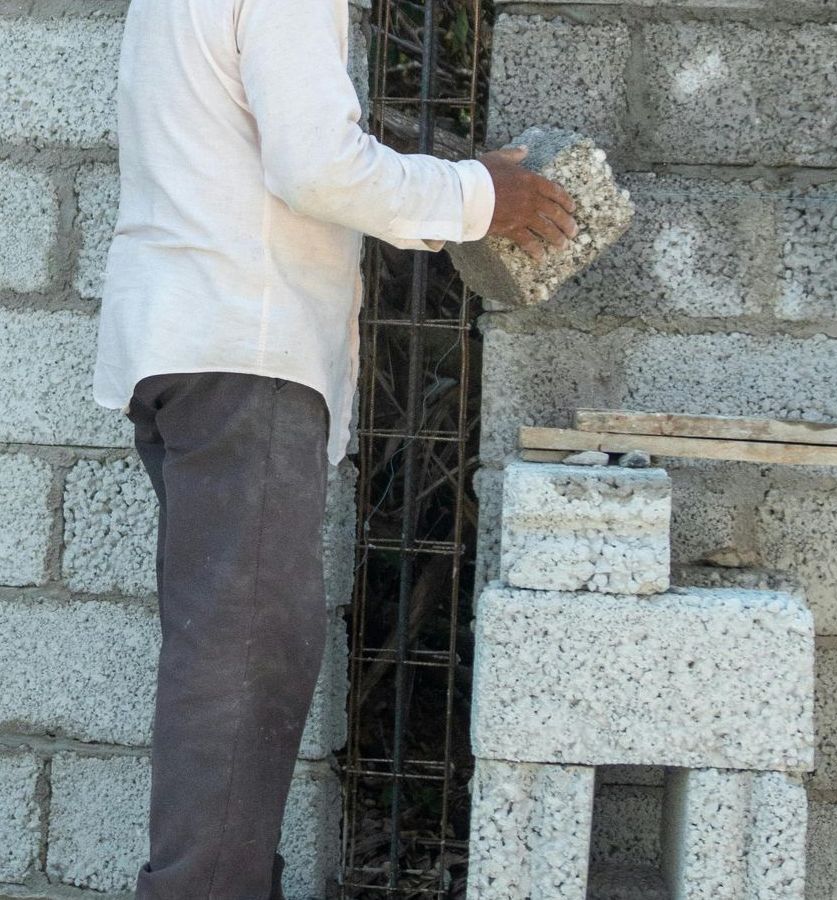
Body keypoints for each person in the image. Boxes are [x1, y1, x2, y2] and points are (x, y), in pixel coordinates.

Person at [91, 0, 578, 896]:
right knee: (242, 667)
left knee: (226, 655)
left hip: (186, 347)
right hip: (245, 350)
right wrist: (479, 194)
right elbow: (317, 167)